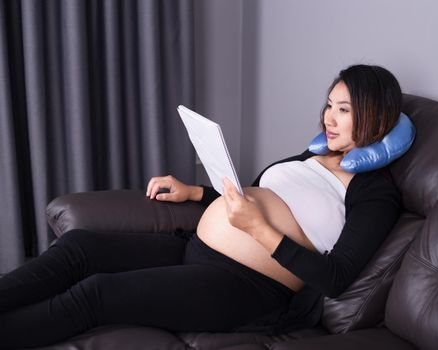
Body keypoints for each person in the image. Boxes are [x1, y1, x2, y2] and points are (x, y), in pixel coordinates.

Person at [0, 64, 402, 349]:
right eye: (329, 105)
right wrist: (196, 194)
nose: (329, 118)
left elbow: (336, 277)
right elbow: (254, 201)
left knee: (97, 293)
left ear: (374, 116)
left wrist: (258, 230)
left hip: (245, 288)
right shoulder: (313, 156)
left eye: (343, 110)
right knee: (79, 246)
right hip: (196, 250)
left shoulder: (374, 193)